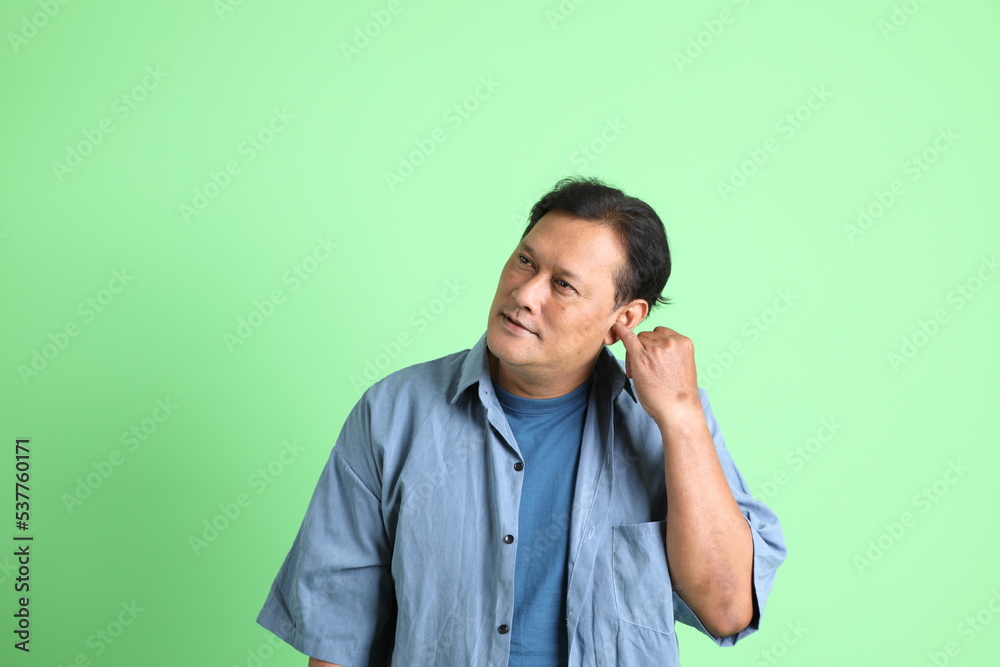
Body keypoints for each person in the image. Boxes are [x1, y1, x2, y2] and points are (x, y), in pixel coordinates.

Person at [256, 176, 787, 666]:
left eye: (564, 285)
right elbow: (336, 636)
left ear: (623, 320)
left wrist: (682, 418)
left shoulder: (669, 422)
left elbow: (727, 609)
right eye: (525, 262)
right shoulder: (393, 413)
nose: (525, 294)